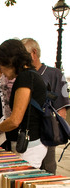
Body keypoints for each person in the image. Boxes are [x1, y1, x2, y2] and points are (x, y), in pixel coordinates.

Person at [0, 39, 47, 169]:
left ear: (10, 61)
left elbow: (15, 120)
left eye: (1, 66)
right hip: (32, 143)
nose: (1, 71)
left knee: (22, 185)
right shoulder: (31, 75)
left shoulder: (25, 78)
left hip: (30, 145)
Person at [22, 38, 70, 174]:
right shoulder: (23, 75)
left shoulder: (54, 74)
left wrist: (53, 134)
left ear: (34, 53)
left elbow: (62, 109)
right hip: (27, 132)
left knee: (47, 169)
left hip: (46, 131)